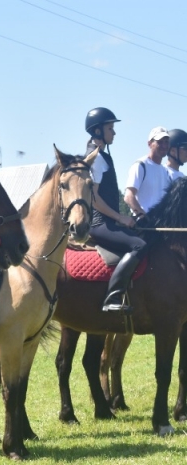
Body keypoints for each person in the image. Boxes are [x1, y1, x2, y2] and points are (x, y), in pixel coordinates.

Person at [83, 107, 143, 313]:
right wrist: (120, 217)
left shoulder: (102, 156)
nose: (114, 132)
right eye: (110, 128)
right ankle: (113, 296)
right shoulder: (96, 157)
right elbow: (93, 198)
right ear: (98, 131)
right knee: (138, 245)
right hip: (99, 224)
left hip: (108, 222)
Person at [124, 127, 171, 221]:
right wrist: (143, 216)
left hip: (160, 225)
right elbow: (128, 196)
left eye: (166, 142)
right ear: (149, 144)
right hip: (144, 227)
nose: (164, 145)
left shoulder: (165, 171)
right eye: (160, 142)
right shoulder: (140, 165)